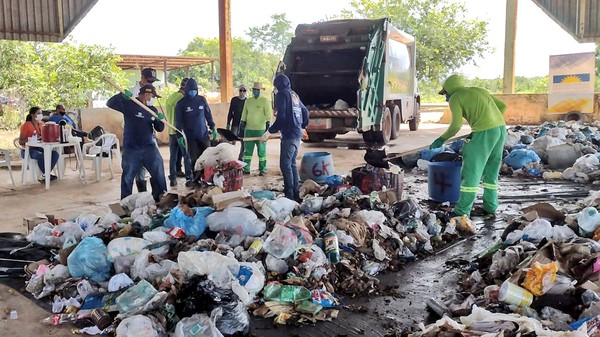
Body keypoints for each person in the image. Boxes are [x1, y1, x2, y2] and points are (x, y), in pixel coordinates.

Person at [430, 74, 507, 217]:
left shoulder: (456, 98)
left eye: (445, 93)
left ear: (450, 90)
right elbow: (502, 106)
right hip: (501, 130)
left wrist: (441, 139)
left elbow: (456, 126)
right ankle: (490, 207)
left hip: (484, 133)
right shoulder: (480, 90)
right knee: (491, 172)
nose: (446, 98)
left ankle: (462, 211)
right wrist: (491, 122)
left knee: (471, 172)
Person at [107, 84, 167, 202]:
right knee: (127, 178)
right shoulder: (129, 105)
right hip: (131, 148)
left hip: (149, 147)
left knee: (159, 173)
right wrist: (122, 96)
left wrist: (160, 120)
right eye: (150, 95)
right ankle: (125, 203)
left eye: (153, 96)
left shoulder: (152, 110)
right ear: (144, 94)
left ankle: (163, 199)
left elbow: (159, 128)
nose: (151, 98)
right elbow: (110, 103)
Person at [263, 74, 308, 200]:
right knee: (292, 163)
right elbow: (305, 111)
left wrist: (270, 131)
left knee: (285, 164)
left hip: (289, 134)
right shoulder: (294, 95)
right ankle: (295, 194)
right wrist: (303, 126)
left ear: (278, 84)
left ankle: (289, 196)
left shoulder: (281, 95)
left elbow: (281, 117)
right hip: (296, 133)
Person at [175, 78, 216, 183]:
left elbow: (208, 114)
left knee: (208, 158)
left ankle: (208, 178)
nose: (193, 92)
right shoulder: (181, 104)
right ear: (187, 90)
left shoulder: (202, 100)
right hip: (190, 137)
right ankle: (196, 180)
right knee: (194, 159)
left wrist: (213, 126)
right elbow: (178, 122)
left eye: (195, 90)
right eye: (191, 90)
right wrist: (179, 136)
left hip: (203, 134)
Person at [130, 67, 159, 193]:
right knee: (138, 167)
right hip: (135, 134)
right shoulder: (132, 92)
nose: (150, 83)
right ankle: (142, 192)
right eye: (148, 80)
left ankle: (157, 194)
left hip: (149, 133)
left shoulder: (151, 91)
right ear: (142, 77)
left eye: (152, 81)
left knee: (155, 164)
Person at [18, 107, 59, 182]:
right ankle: (45, 175)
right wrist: (31, 139)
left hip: (40, 148)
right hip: (28, 150)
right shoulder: (26, 125)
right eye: (38, 113)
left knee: (55, 154)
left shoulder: (42, 124)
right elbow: (20, 141)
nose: (41, 115)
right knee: (41, 156)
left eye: (41, 113)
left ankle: (45, 175)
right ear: (33, 115)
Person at [240, 82, 271, 176]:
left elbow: (268, 116)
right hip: (249, 130)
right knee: (247, 151)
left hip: (260, 130)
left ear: (261, 91)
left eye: (257, 90)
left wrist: (268, 127)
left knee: (261, 151)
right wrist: (242, 123)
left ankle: (263, 169)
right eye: (254, 90)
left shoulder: (265, 101)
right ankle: (246, 169)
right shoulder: (248, 101)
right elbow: (244, 114)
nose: (255, 91)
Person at [165, 78, 192, 187]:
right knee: (186, 155)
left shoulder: (170, 98)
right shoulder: (183, 99)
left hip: (171, 131)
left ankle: (173, 178)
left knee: (173, 156)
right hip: (181, 132)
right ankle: (189, 178)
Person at [227, 85, 248, 161]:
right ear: (239, 91)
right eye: (241, 90)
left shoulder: (247, 101)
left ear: (246, 92)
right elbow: (230, 112)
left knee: (243, 142)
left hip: (243, 124)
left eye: (244, 91)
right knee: (232, 142)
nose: (242, 92)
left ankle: (241, 158)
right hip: (235, 124)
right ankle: (230, 158)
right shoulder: (234, 100)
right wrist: (228, 122)